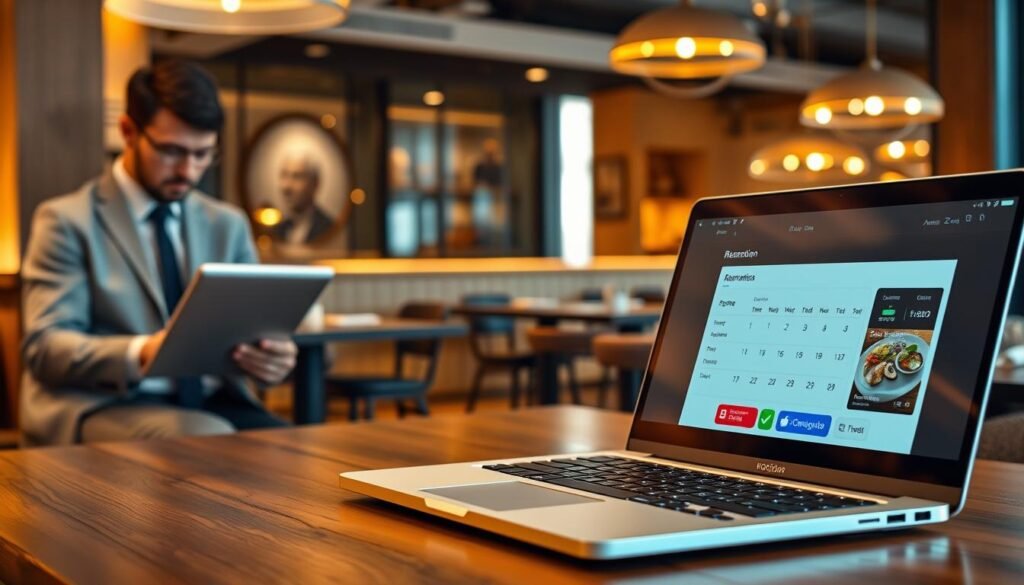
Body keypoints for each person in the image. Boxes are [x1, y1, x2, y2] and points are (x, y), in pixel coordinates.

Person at [20, 59, 296, 446]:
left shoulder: (227, 224)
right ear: (128, 132)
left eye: (203, 154)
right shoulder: (67, 220)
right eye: (171, 151)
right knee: (209, 441)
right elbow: (46, 348)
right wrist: (142, 352)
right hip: (105, 404)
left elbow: (253, 334)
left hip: (214, 401)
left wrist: (273, 358)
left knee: (299, 452)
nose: (188, 170)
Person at [273, 152, 333, 244]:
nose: (286, 187)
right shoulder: (277, 229)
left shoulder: (329, 228)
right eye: (284, 175)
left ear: (315, 183)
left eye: (297, 176)